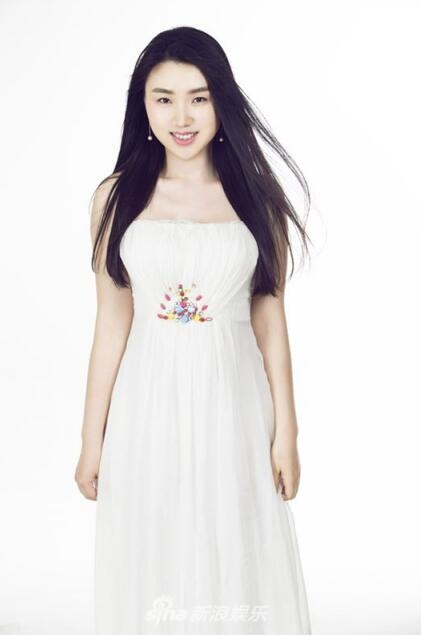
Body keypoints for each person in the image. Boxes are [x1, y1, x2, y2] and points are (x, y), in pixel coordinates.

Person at [75, 25, 313, 635]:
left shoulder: (256, 197)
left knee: (233, 541)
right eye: (164, 99)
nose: (181, 117)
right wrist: (91, 440)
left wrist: (287, 431)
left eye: (199, 98)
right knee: (154, 541)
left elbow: (270, 318)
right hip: (145, 405)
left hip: (234, 404)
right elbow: (111, 324)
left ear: (220, 101)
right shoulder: (115, 198)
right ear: (143, 105)